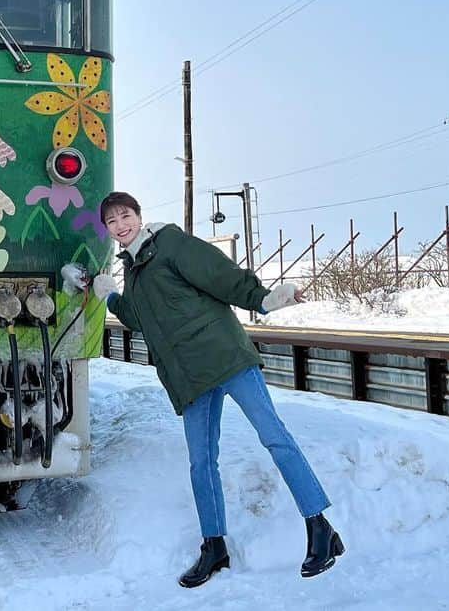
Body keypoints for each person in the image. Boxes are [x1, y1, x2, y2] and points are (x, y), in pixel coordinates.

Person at [91, 191, 343, 587]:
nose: (120, 225)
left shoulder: (170, 243)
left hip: (226, 358)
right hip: (189, 377)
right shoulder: (135, 271)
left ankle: (319, 527)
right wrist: (110, 296)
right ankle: (214, 546)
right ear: (107, 230)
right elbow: (140, 319)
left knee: (275, 437)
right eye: (112, 221)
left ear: (140, 216)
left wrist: (262, 299)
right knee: (201, 463)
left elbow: (218, 273)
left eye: (125, 215)